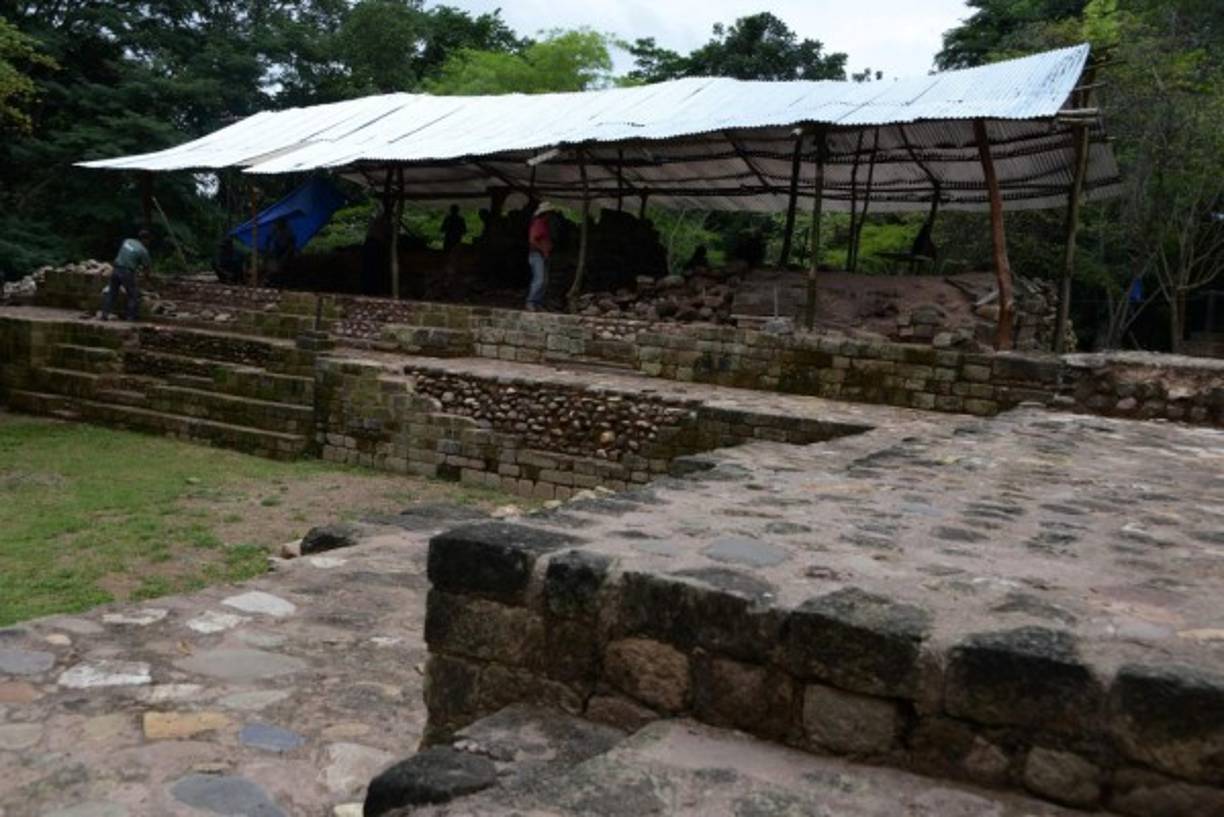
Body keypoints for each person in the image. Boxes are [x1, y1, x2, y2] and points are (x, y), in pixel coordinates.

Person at [101, 229, 152, 322]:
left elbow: (127, 254)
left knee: (112, 293)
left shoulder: (127, 241)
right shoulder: (143, 251)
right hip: (126, 272)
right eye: (148, 241)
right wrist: (147, 279)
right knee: (133, 295)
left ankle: (104, 314)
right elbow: (147, 268)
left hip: (116, 269)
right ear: (146, 240)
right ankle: (130, 318)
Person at [526, 201, 553, 311]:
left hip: (542, 255)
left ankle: (538, 302)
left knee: (544, 280)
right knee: (540, 279)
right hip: (537, 255)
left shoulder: (545, 225)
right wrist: (543, 250)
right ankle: (531, 301)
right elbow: (532, 240)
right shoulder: (538, 223)